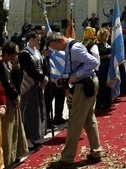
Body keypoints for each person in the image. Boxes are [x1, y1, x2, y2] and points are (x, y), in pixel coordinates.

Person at [46, 33, 102, 167]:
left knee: (74, 122)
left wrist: (75, 76)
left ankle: (67, 158)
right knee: (89, 119)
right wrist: (65, 77)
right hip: (87, 83)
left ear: (60, 41)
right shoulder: (71, 47)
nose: (57, 51)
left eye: (56, 48)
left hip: (83, 85)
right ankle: (96, 152)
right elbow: (71, 65)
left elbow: (94, 62)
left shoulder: (74, 49)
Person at [0, 42, 28, 167]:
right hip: (6, 100)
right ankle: (7, 157)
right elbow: (4, 84)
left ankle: (15, 154)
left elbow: (17, 81)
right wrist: (14, 97)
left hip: (14, 97)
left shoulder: (9, 63)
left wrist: (16, 68)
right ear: (5, 54)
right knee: (7, 131)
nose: (13, 59)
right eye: (11, 56)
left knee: (15, 129)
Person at [18, 30, 48, 149]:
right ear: (30, 40)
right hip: (29, 85)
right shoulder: (24, 54)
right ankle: (28, 138)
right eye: (37, 39)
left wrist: (44, 78)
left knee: (38, 110)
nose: (39, 41)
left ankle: (36, 135)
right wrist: (41, 78)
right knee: (29, 110)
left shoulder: (37, 51)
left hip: (38, 84)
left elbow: (43, 66)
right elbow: (30, 70)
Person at [95, 28, 112, 110]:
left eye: (107, 35)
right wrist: (108, 56)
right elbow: (100, 55)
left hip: (107, 65)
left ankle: (107, 101)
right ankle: (101, 102)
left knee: (107, 83)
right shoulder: (98, 45)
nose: (107, 37)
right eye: (105, 35)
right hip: (101, 67)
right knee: (102, 84)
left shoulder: (106, 43)